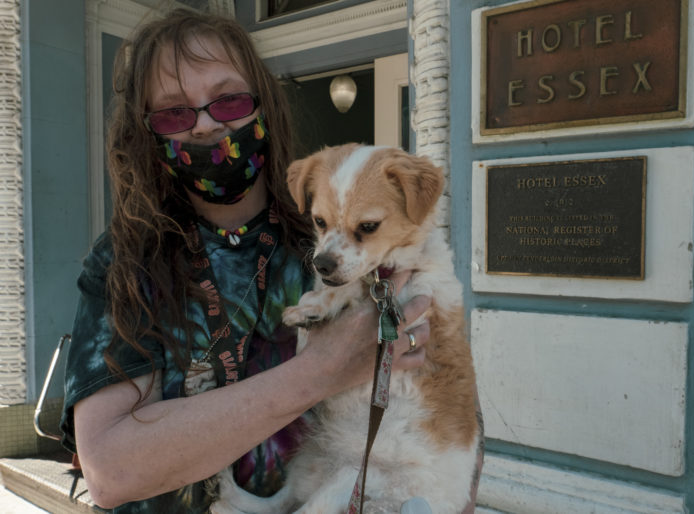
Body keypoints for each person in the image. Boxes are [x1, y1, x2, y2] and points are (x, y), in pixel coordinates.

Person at [61, 8, 480, 514]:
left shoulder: (331, 236)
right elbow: (110, 472)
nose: (206, 124)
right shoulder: (126, 264)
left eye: (228, 99)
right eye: (174, 112)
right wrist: (321, 371)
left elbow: (451, 400)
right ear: (147, 135)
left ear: (262, 101)